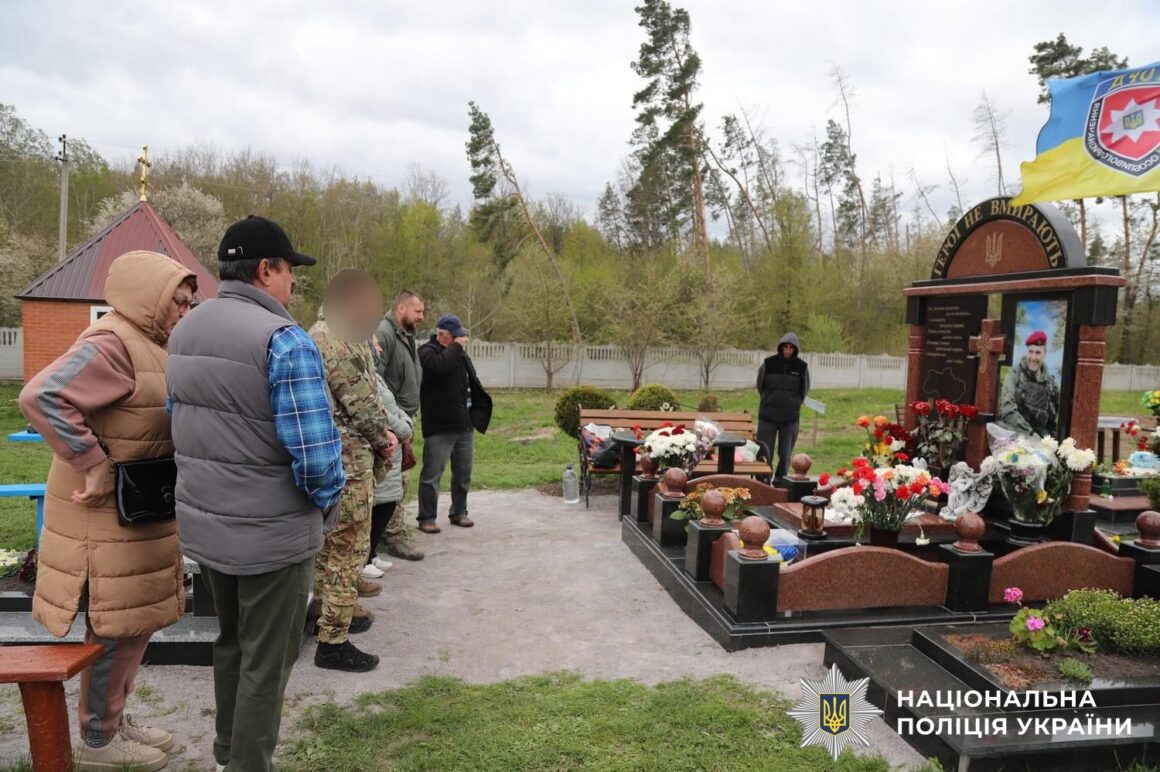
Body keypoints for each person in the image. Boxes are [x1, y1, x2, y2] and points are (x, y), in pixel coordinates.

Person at [167, 215, 345, 772]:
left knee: (232, 644)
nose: (295, 283)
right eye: (291, 270)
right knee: (267, 660)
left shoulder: (186, 329)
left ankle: (227, 753)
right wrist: (326, 504)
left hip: (210, 525)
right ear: (266, 270)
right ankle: (246, 764)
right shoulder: (285, 340)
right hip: (272, 532)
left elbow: (182, 422)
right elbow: (316, 456)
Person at [20, 251, 197, 771]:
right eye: (177, 302)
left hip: (138, 511)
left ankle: (114, 719)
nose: (185, 312)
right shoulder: (113, 341)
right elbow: (43, 395)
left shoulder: (151, 343)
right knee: (115, 626)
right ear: (149, 298)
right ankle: (98, 741)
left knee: (135, 621)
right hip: (104, 518)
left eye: (189, 302)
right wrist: (92, 463)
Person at [308, 270, 397, 672]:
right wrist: (384, 438)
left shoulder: (324, 333)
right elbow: (361, 402)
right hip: (349, 460)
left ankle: (325, 618)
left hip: (336, 457)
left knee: (330, 548)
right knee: (347, 549)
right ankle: (333, 641)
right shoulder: (337, 338)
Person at [416, 314, 492, 533]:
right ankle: (426, 517)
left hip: (463, 424)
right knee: (432, 474)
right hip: (439, 426)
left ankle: (459, 512)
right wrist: (456, 348)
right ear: (441, 335)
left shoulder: (457, 354)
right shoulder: (426, 353)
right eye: (456, 337)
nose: (461, 341)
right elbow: (440, 368)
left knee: (463, 473)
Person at [372, 290, 425, 561]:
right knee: (394, 482)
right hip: (393, 422)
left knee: (400, 480)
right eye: (417, 311)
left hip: (405, 418)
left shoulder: (406, 334)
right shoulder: (384, 333)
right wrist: (392, 423)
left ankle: (384, 532)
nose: (422, 317)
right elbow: (375, 382)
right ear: (401, 309)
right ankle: (393, 535)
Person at [366, 374, 414, 578]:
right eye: (374, 344)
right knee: (379, 505)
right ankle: (364, 559)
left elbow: (393, 407)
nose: (378, 348)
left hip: (392, 448)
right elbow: (377, 409)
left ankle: (372, 552)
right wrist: (403, 428)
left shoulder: (374, 372)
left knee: (387, 503)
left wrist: (404, 421)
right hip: (382, 445)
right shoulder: (361, 371)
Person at [756, 332, 810, 480]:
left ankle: (781, 481)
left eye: (791, 348)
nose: (787, 350)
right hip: (768, 417)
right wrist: (770, 400)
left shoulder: (801, 367)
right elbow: (760, 386)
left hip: (790, 419)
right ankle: (763, 481)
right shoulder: (768, 364)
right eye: (785, 347)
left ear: (795, 349)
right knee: (764, 453)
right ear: (781, 347)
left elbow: (803, 391)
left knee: (785, 454)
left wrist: (793, 404)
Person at [998, 329, 1059, 438]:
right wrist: (1030, 434)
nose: (1033, 358)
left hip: (1041, 442)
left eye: (1038, 353)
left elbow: (1055, 421)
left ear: (1045, 354)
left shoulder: (1051, 384)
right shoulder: (1014, 375)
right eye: (1031, 352)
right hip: (1014, 437)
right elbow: (1007, 411)